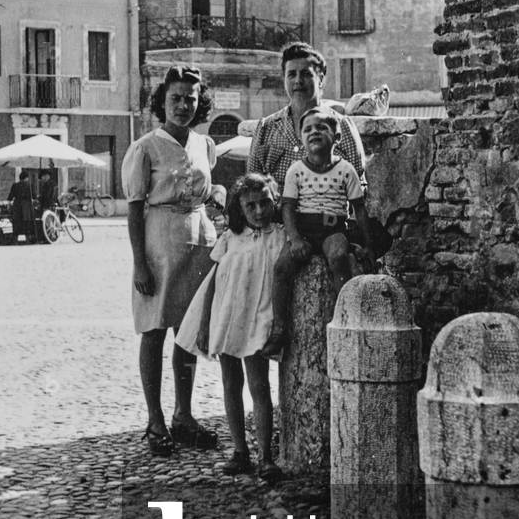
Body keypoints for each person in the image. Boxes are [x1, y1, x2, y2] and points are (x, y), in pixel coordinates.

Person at [122, 64, 222, 457]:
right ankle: (155, 420)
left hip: (199, 241)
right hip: (159, 242)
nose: (183, 105)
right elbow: (133, 210)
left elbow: (207, 191)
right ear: (161, 102)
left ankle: (184, 415)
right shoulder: (145, 147)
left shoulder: (204, 145)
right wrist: (139, 264)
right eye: (175, 98)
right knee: (154, 330)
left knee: (188, 332)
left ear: (200, 104)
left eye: (190, 99)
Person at [248, 42, 368, 330]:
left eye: (306, 74)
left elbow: (359, 186)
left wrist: (355, 240)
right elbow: (251, 184)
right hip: (278, 233)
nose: (298, 81)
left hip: (330, 231)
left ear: (322, 79)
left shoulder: (341, 127)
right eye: (291, 74)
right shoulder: (268, 127)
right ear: (284, 79)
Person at [176, 172, 285, 481]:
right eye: (251, 206)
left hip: (258, 318)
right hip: (228, 316)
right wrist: (205, 324)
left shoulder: (279, 235)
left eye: (265, 203)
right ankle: (241, 451)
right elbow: (212, 284)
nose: (259, 211)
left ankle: (266, 455)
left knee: (259, 385)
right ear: (240, 208)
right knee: (230, 383)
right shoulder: (230, 238)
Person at [281, 108, 374, 302]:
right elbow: (288, 208)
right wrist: (295, 239)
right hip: (304, 230)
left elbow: (360, 209)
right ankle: (279, 325)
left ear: (337, 137)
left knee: (339, 256)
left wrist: (367, 244)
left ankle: (343, 310)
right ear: (301, 138)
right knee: (281, 267)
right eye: (307, 130)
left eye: (321, 128)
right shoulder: (295, 170)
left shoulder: (346, 170)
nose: (314, 132)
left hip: (333, 230)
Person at [7, 172, 35, 243]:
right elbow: (33, 196)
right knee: (27, 222)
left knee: (17, 222)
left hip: (17, 205)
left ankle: (15, 239)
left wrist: (9, 204)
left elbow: (10, 196)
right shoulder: (29, 185)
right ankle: (27, 238)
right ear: (26, 178)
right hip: (26, 206)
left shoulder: (15, 185)